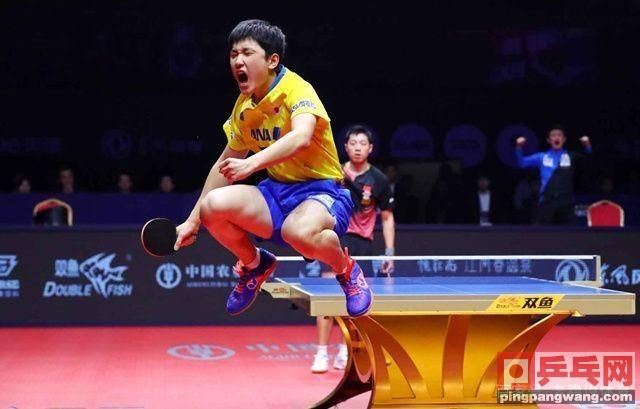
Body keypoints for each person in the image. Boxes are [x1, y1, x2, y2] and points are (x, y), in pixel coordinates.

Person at [173, 20, 372, 318]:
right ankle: (255, 265)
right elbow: (224, 163)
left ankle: (346, 270)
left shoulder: (297, 89)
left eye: (247, 53)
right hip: (277, 193)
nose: (237, 61)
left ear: (272, 60)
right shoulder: (243, 107)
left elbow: (301, 136)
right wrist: (193, 221)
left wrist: (252, 163)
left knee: (297, 232)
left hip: (322, 193)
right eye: (233, 54)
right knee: (211, 206)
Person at [311, 125, 395, 373]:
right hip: (334, 240)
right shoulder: (332, 173)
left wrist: (390, 252)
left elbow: (387, 217)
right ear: (346, 147)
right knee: (327, 299)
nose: (358, 147)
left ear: (370, 148)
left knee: (355, 301)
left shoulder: (379, 180)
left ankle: (345, 350)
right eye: (353, 143)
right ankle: (321, 352)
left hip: (363, 245)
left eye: (363, 143)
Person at [516, 125, 591, 225]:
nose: (556, 137)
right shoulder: (541, 156)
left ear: (564, 140)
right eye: (553, 135)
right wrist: (519, 147)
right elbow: (521, 163)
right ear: (548, 140)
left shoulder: (571, 156)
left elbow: (588, 161)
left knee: (571, 231)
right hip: (547, 200)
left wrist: (587, 145)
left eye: (559, 135)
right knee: (542, 231)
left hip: (566, 201)